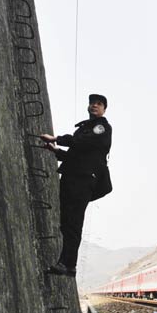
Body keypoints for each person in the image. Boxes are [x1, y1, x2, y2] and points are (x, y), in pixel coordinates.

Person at [40, 94, 112, 277]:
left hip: (83, 179)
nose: (94, 106)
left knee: (73, 222)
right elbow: (76, 155)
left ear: (104, 109)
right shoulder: (85, 128)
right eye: (92, 103)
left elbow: (82, 143)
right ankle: (66, 263)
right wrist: (56, 151)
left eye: (99, 104)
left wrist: (57, 139)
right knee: (66, 223)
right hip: (73, 177)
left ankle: (68, 264)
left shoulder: (101, 127)